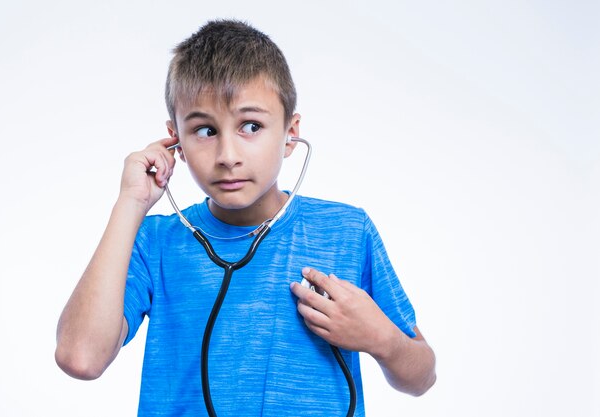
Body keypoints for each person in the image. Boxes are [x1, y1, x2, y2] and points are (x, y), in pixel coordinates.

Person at [55, 19, 436, 417]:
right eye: (204, 130)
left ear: (291, 133)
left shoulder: (346, 232)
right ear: (176, 142)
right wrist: (130, 203)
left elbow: (421, 376)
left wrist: (382, 339)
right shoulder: (155, 242)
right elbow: (80, 357)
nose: (228, 155)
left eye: (250, 126)